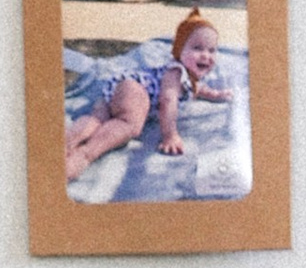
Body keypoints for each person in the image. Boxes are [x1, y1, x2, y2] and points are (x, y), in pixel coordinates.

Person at [63, 11, 232, 181]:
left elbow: (198, 89)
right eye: (197, 48)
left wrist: (215, 94)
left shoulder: (190, 78)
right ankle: (84, 155)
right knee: (129, 124)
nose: (206, 55)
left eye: (212, 50)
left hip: (117, 87)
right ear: (179, 50)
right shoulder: (176, 72)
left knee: (97, 119)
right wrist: (170, 135)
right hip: (136, 89)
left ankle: (67, 142)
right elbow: (167, 101)